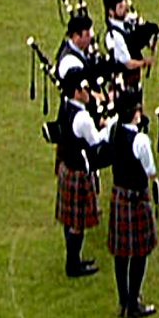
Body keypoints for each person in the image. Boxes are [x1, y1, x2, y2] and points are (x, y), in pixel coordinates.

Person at [107, 98, 158, 318]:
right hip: (136, 198)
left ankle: (124, 300)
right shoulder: (140, 140)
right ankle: (133, 302)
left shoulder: (113, 129)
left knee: (121, 253)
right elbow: (150, 170)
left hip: (119, 195)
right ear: (135, 114)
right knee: (139, 252)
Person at [55, 69, 108, 278]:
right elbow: (96, 142)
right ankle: (73, 264)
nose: (89, 92)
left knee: (70, 221)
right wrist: (109, 126)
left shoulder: (65, 106)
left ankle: (74, 260)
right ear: (77, 92)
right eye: (85, 88)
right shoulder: (83, 117)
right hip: (78, 171)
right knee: (77, 224)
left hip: (66, 167)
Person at [103, 0, 155, 103]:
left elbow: (136, 35)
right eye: (121, 7)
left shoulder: (126, 22)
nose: (125, 9)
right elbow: (128, 63)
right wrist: (145, 62)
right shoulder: (114, 35)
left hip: (134, 80)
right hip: (123, 83)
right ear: (111, 12)